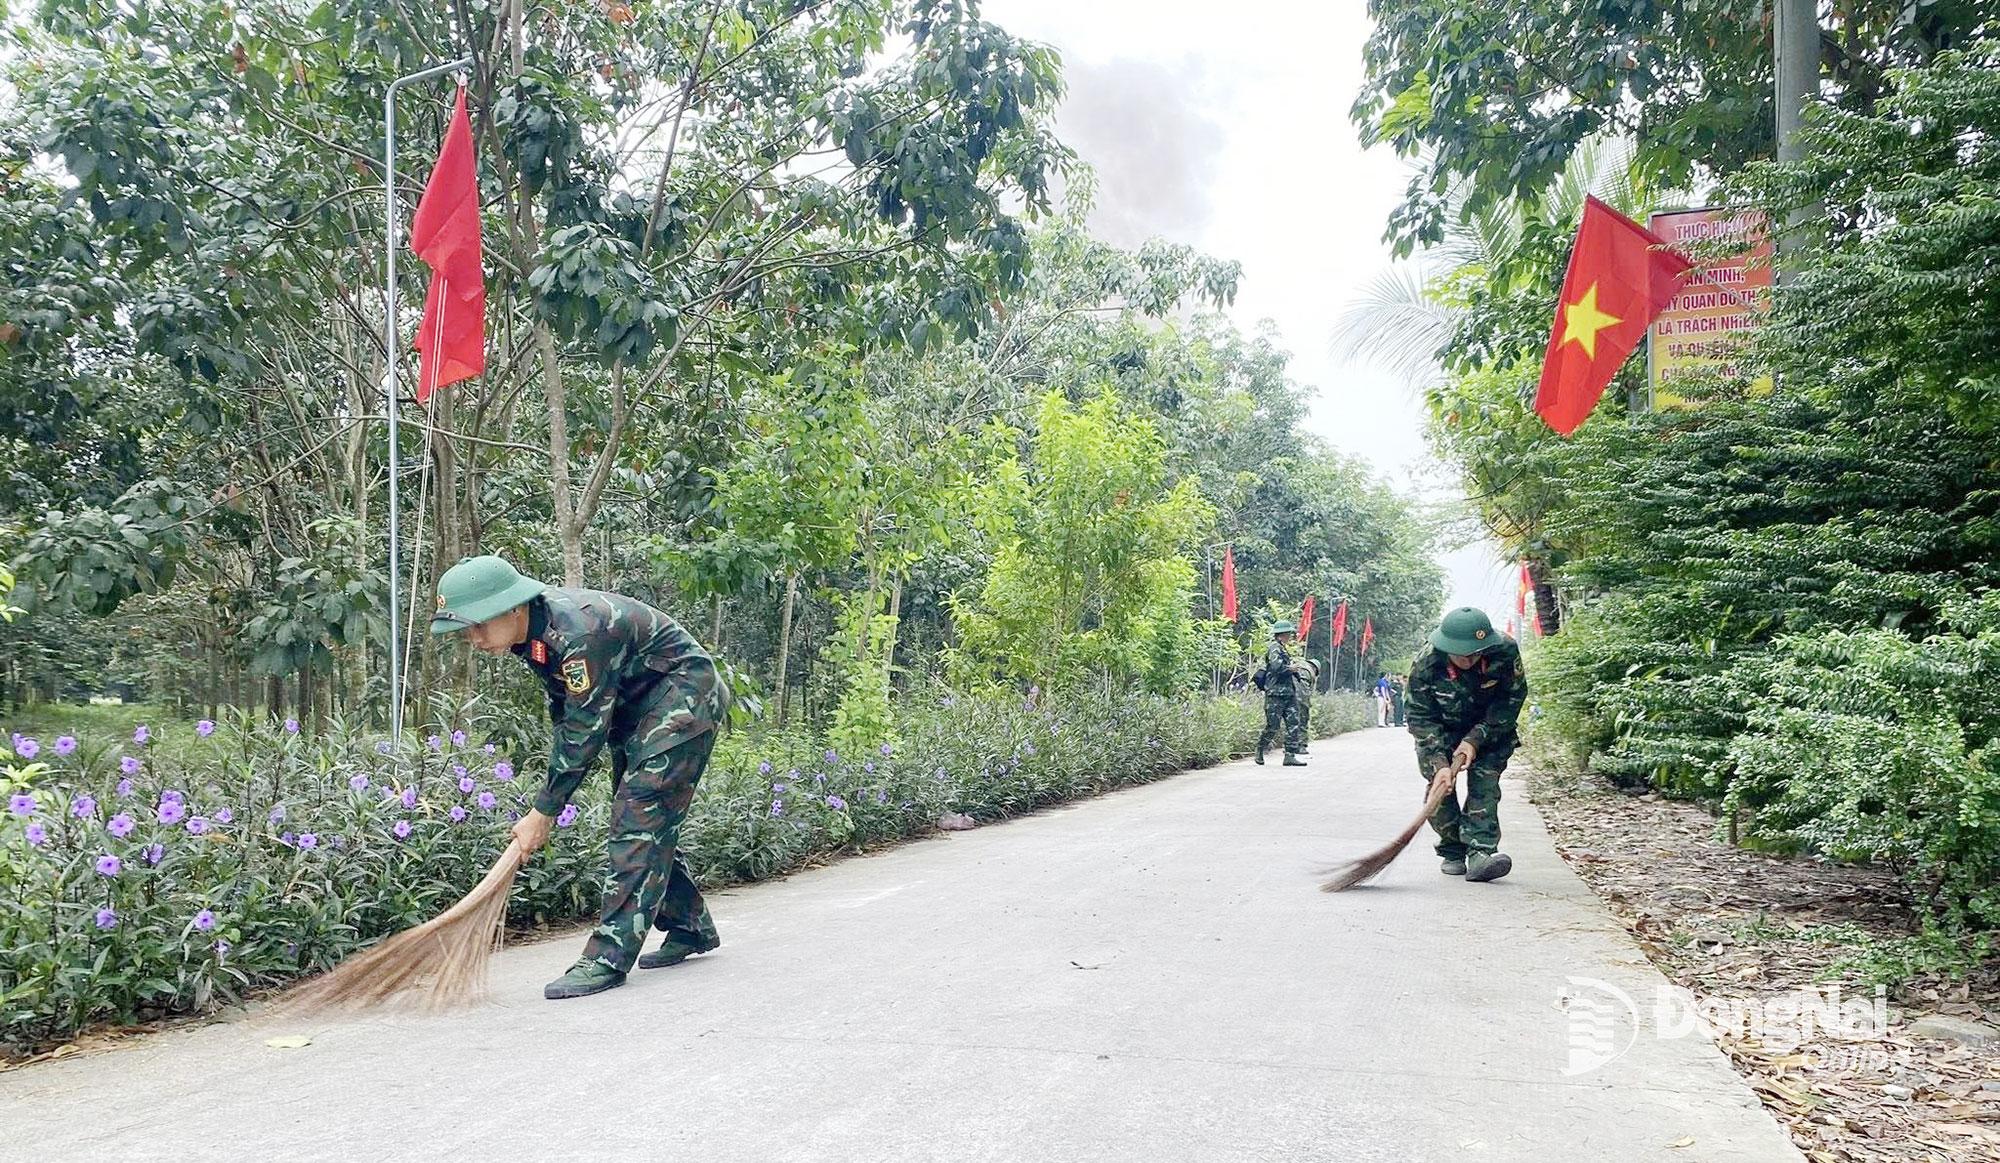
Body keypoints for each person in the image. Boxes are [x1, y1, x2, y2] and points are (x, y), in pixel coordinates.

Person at [431, 554, 728, 999]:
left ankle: (608, 956)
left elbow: (584, 729)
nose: (474, 639)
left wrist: (543, 811)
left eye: (479, 625)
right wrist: (549, 802)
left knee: (638, 819)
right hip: (637, 709)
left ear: (514, 607)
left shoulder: (579, 633)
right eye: (466, 630)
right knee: (644, 821)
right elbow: (567, 710)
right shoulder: (534, 634)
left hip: (684, 698)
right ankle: (690, 926)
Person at [1406, 607, 1527, 883]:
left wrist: (1475, 739)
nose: (1469, 660)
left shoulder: (1504, 651)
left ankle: (1481, 852)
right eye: (1461, 655)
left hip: (1491, 731)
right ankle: (1452, 849)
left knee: (1485, 786)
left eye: (1475, 653)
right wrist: (1439, 763)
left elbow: (1511, 700)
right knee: (1441, 790)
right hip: (1441, 733)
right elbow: (1419, 716)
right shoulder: (1426, 663)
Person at [1252, 621, 1307, 766]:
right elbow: (1276, 666)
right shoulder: (1274, 648)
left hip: (1288, 693)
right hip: (1275, 694)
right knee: (1273, 726)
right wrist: (1291, 668)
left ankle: (1290, 755)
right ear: (1282, 634)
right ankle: (1260, 749)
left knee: (1293, 723)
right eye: (1288, 634)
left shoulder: (1283, 648)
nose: (1290, 636)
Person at [1288, 657, 1319, 754]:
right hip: (1301, 697)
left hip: (1287, 693)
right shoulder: (1311, 672)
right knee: (1303, 720)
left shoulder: (1297, 664)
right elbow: (1309, 691)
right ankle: (1301, 746)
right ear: (1315, 668)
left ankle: (1290, 746)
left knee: (1290, 721)